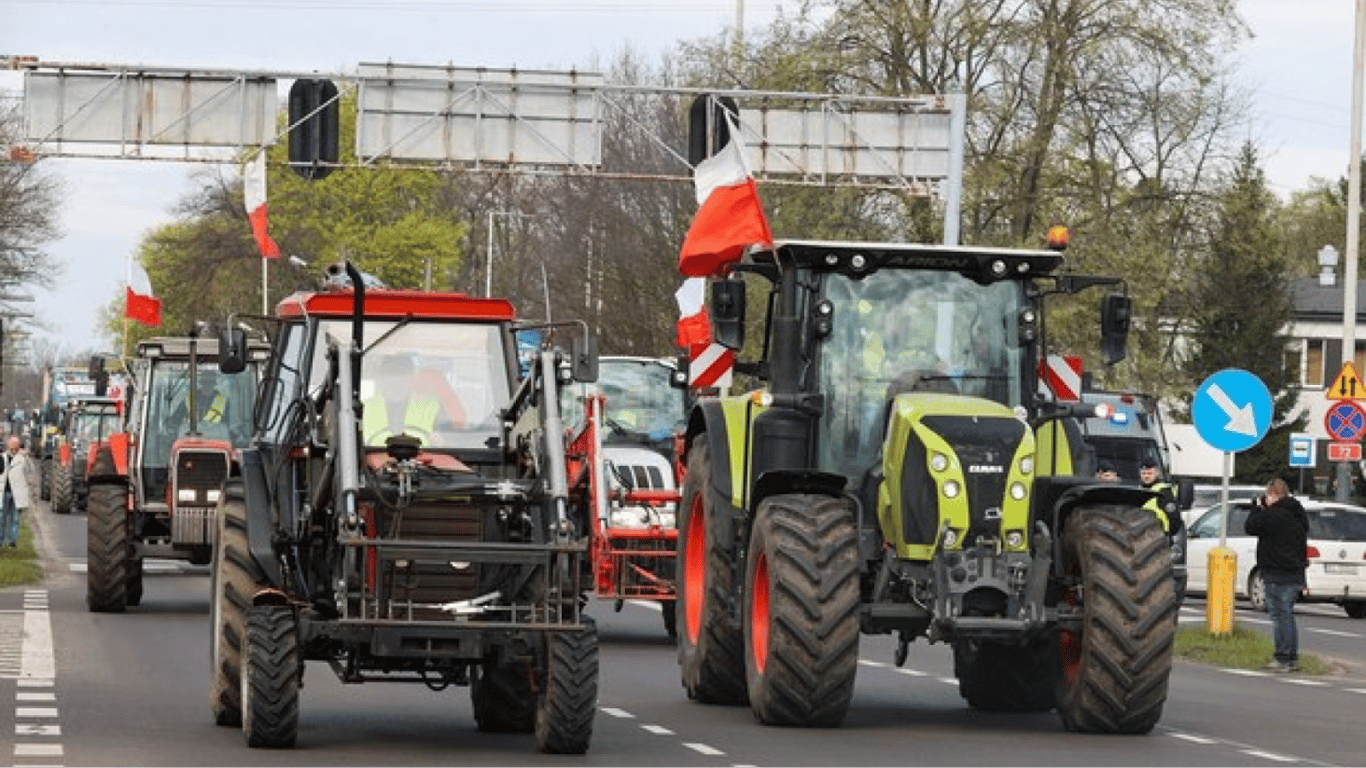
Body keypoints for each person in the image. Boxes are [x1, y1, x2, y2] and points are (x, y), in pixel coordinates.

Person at [1245, 478, 1309, 672]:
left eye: (1267, 495)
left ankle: (1282, 658)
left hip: (1276, 572)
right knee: (1287, 615)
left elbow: (1251, 527)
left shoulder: (1275, 515)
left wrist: (1256, 508)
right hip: (1295, 572)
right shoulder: (1298, 513)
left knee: (1280, 615)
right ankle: (1292, 657)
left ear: (1273, 495)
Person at [1, 435, 34, 549]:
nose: (14, 446)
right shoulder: (3, 457)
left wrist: (27, 457)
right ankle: (1, 541)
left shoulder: (22, 458)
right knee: (2, 518)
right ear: (8, 444)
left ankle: (12, 542)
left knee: (15, 519)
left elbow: (31, 471)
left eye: (16, 444)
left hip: (17, 493)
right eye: (12, 443)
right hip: (4, 492)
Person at [1139, 459, 1176, 533]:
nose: (1146, 476)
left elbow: (1173, 516)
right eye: (1143, 473)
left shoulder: (1163, 490)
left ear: (1157, 474)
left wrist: (1170, 534)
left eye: (1149, 473)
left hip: (1159, 534)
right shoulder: (1137, 490)